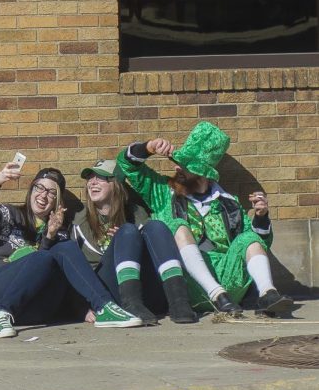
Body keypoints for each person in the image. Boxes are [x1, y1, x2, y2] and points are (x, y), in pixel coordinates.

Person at [116, 121, 293, 316]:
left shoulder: (229, 203)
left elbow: (260, 244)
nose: (176, 169)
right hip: (187, 285)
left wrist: (261, 217)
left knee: (248, 238)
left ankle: (267, 294)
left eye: (184, 167)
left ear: (203, 175)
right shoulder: (164, 192)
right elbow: (126, 166)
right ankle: (216, 294)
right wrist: (148, 147)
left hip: (230, 282)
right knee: (178, 225)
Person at [0, 162, 143, 338]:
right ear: (31, 190)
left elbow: (57, 274)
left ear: (57, 202)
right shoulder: (9, 215)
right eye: (39, 187)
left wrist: (49, 237)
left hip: (28, 310)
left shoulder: (59, 233)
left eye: (51, 192)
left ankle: (105, 307)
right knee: (44, 258)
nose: (43, 195)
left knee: (64, 248)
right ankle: (2, 314)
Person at [70, 159, 198, 325]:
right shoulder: (79, 221)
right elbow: (73, 270)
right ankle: (131, 304)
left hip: (147, 292)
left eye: (100, 177)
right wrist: (81, 308)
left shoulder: (137, 214)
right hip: (111, 293)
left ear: (116, 183)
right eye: (90, 178)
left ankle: (179, 302)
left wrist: (130, 241)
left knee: (156, 226)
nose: (92, 182)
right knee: (127, 232)